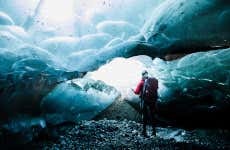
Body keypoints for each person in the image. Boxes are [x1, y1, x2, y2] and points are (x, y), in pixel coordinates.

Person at [132, 70, 158, 137]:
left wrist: (132, 90)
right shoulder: (152, 82)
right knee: (152, 115)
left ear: (142, 75)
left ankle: (144, 131)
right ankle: (154, 132)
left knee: (144, 116)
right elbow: (156, 89)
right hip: (152, 100)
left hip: (144, 100)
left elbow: (136, 92)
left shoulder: (141, 82)